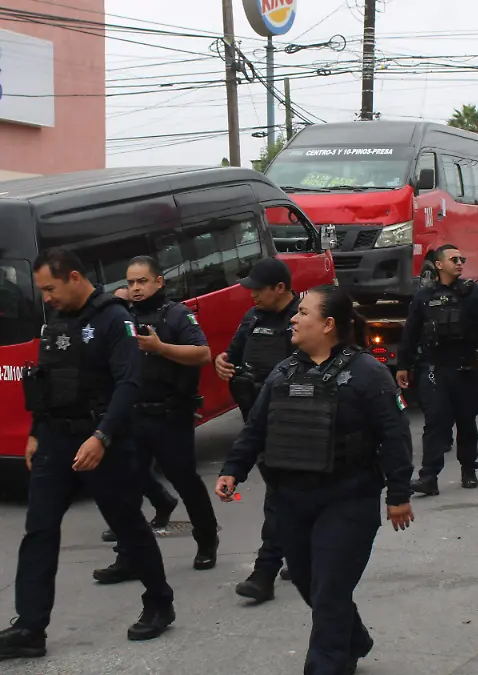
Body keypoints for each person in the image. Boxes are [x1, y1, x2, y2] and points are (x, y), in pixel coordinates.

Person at [0, 248, 175, 657]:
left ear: (75, 278)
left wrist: (101, 437)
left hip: (105, 441)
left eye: (50, 288)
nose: (46, 297)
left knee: (127, 524)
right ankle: (30, 628)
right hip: (56, 439)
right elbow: (46, 381)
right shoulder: (59, 319)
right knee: (39, 530)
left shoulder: (113, 319)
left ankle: (159, 603)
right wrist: (34, 432)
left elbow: (129, 385)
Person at [216, 285, 414, 675]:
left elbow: (395, 435)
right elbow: (257, 428)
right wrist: (232, 470)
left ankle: (325, 665)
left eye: (302, 313)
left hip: (348, 499)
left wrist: (399, 494)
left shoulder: (368, 374)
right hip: (292, 499)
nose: (293, 318)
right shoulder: (284, 371)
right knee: (309, 583)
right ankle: (353, 638)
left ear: (327, 325)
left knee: (329, 588)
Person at [93, 257, 219, 585]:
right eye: (131, 282)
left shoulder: (176, 315)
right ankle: (129, 556)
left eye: (142, 282)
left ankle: (207, 541)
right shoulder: (122, 316)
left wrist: (161, 348)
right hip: (133, 416)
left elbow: (203, 354)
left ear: (159, 282)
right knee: (127, 487)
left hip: (169, 415)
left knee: (185, 480)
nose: (136, 288)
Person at [213, 257, 301, 601]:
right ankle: (299, 553)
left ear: (280, 288)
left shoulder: (301, 319)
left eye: (258, 289)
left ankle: (264, 572)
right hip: (257, 417)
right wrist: (223, 363)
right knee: (287, 496)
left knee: (279, 498)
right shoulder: (252, 318)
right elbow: (232, 356)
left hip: (294, 422)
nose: (251, 295)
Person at [398, 245, 478, 493]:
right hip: (434, 369)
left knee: (466, 421)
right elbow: (410, 333)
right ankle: (428, 477)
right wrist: (403, 365)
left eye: (461, 259)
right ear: (439, 265)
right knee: (435, 422)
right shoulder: (424, 296)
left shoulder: (472, 292)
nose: (459, 263)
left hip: (466, 368)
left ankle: (468, 470)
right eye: (453, 259)